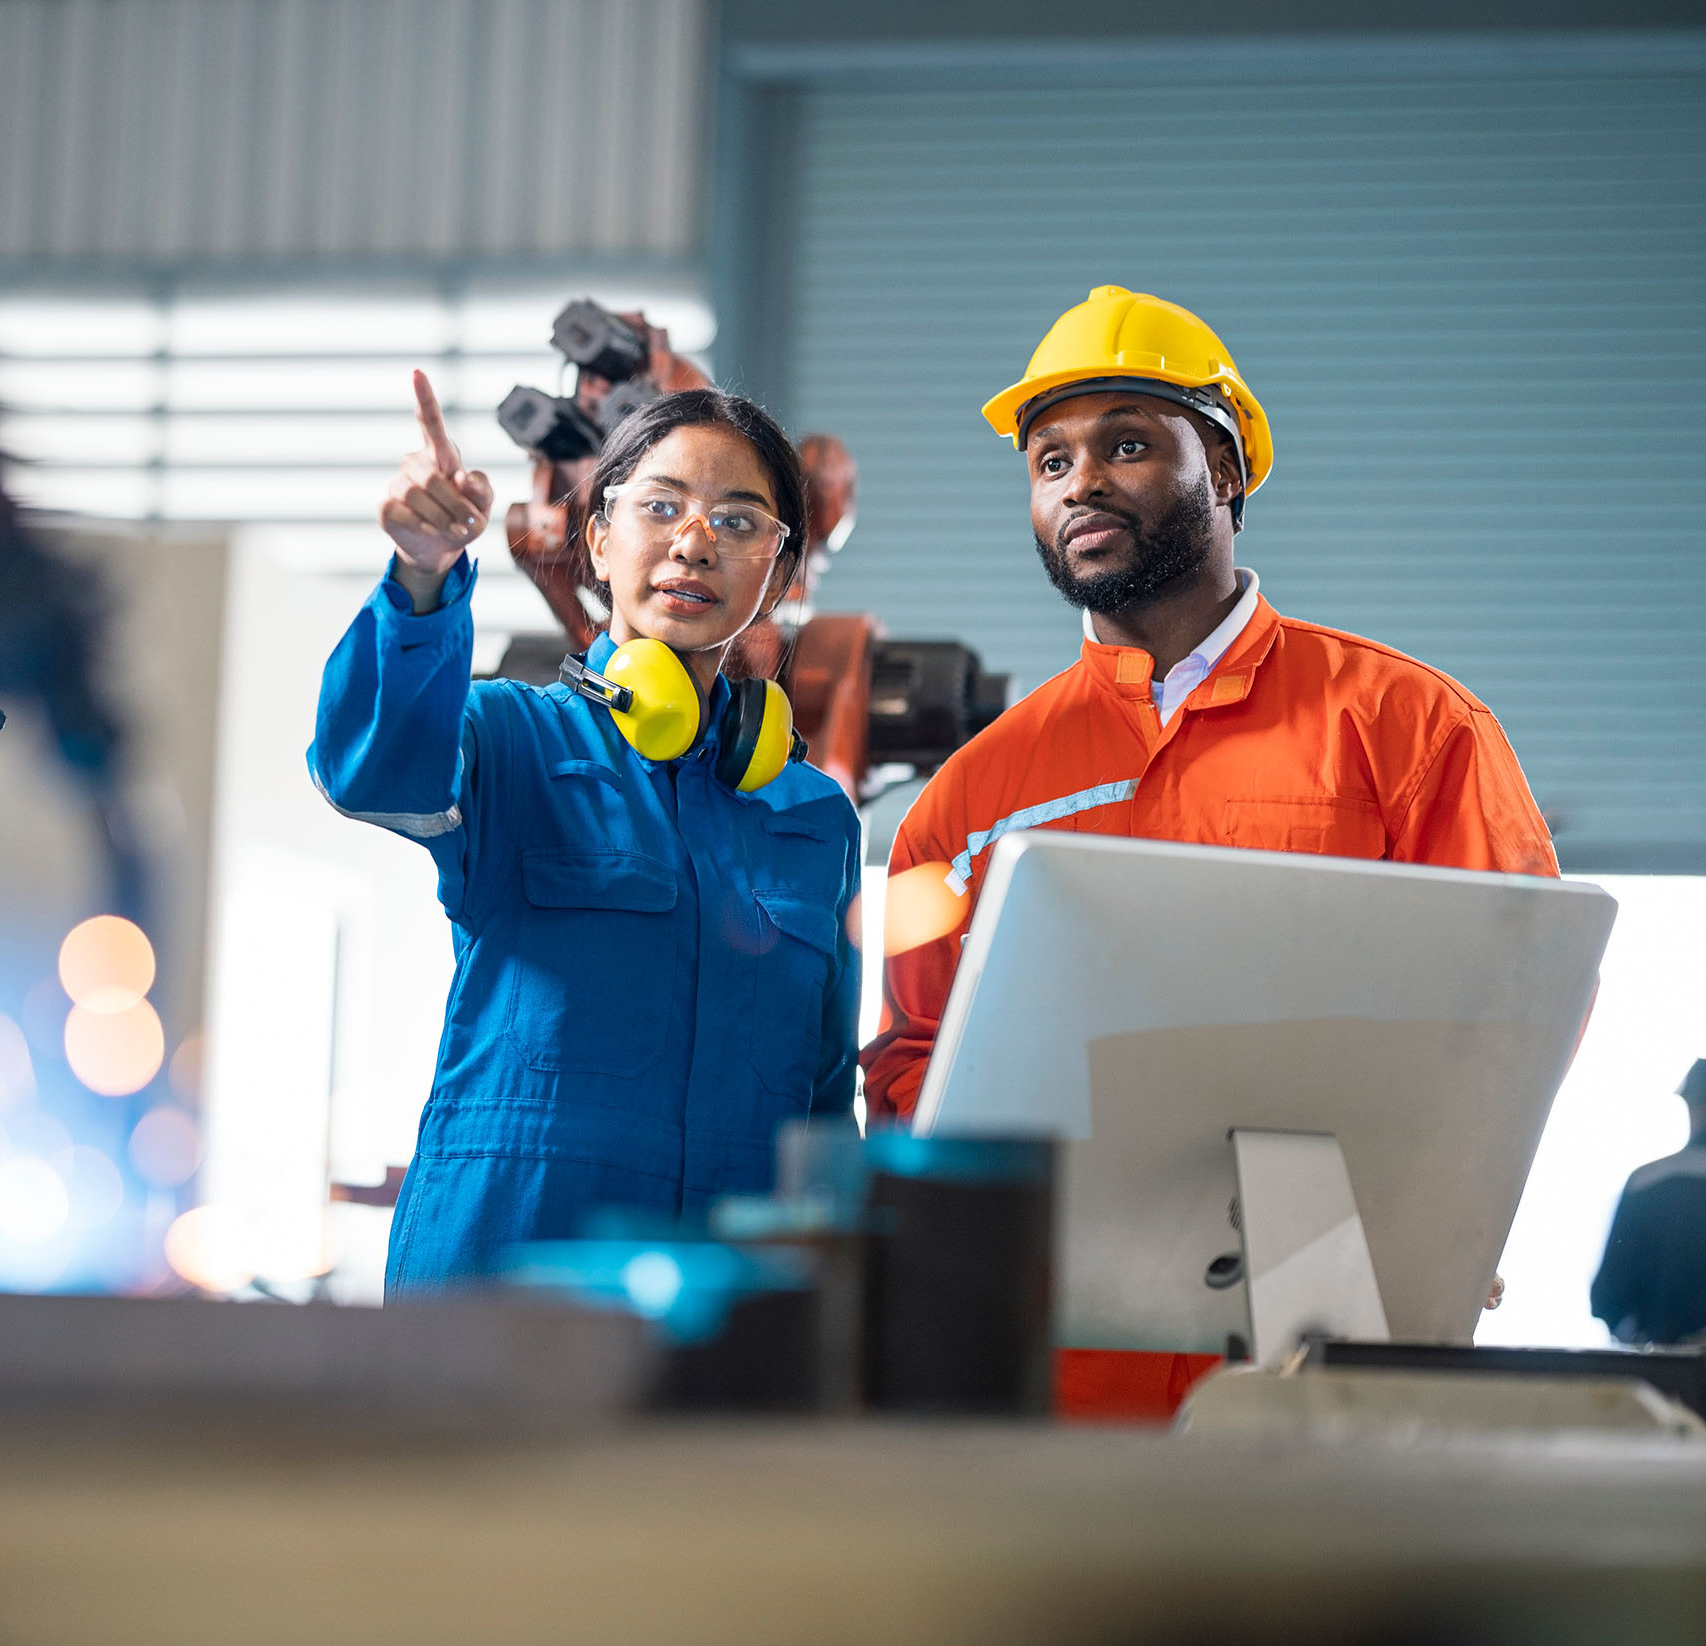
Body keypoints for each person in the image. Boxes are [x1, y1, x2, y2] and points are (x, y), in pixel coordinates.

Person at [863, 286, 1559, 1122]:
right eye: (1051, 461)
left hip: (1342, 1238)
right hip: (1063, 1244)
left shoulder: (1407, 724)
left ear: (1224, 470)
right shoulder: (964, 800)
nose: (1081, 483)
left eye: (1126, 445)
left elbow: (1523, 994)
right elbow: (911, 1064)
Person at [311, 373, 861, 1292]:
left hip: (727, 1310)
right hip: (503, 1289)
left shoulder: (811, 819)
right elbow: (371, 771)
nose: (694, 541)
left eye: (738, 522)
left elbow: (822, 1107)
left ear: (779, 571)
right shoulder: (510, 740)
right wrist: (421, 576)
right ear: (599, 541)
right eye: (661, 507)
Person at [1591, 1061, 1706, 1346]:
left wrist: (1640, 1338)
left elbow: (1607, 1295)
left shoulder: (1645, 1180)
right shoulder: (1645, 1180)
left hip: (1653, 1367)